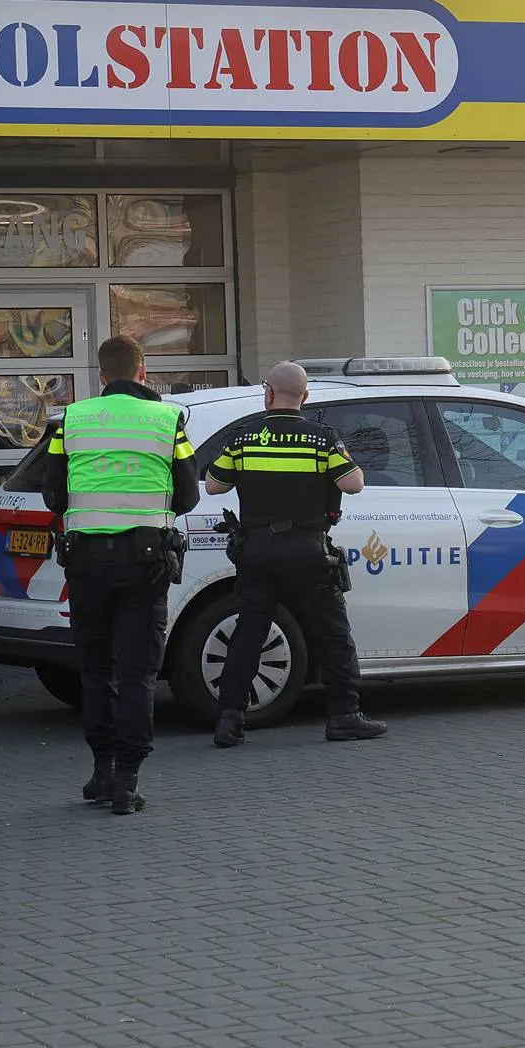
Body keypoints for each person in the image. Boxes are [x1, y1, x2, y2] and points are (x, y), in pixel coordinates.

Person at [41, 336, 199, 815]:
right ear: (143, 371)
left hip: (87, 563)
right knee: (137, 674)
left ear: (101, 375)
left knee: (96, 671)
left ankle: (101, 771)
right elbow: (189, 495)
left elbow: (53, 494)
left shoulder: (70, 420)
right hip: (144, 563)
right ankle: (127, 779)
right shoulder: (168, 420)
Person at [204, 361, 387, 747]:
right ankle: (344, 716)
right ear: (305, 396)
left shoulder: (243, 438)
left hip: (256, 551)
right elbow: (353, 484)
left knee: (249, 633)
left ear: (268, 394)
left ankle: (230, 720)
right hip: (306, 552)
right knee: (333, 635)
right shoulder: (322, 439)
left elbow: (214, 486)